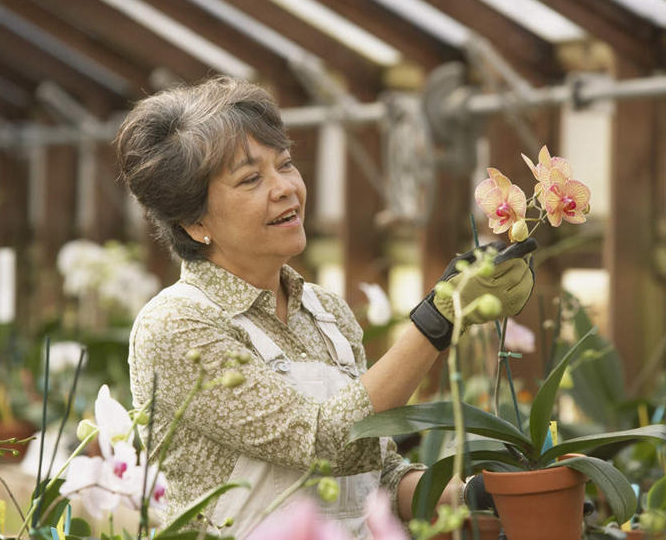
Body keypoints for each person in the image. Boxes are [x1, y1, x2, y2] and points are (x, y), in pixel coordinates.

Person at [116, 76, 535, 539]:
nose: (285, 188)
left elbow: (379, 478)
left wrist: (486, 493)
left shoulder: (327, 312)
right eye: (251, 178)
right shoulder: (178, 324)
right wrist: (436, 321)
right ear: (195, 223)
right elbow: (320, 442)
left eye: (286, 164)